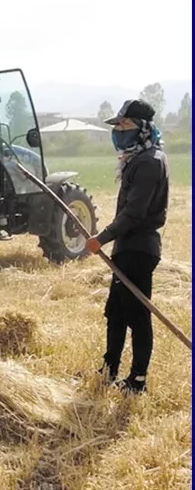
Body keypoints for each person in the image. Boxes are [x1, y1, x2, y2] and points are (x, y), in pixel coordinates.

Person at [86, 99, 169, 395]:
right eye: (118, 125)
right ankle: (109, 370)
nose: (119, 130)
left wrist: (102, 238)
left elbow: (134, 213)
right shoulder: (137, 159)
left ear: (142, 128)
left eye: (125, 125)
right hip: (127, 248)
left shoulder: (149, 163)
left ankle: (138, 380)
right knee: (116, 313)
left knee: (137, 315)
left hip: (138, 250)